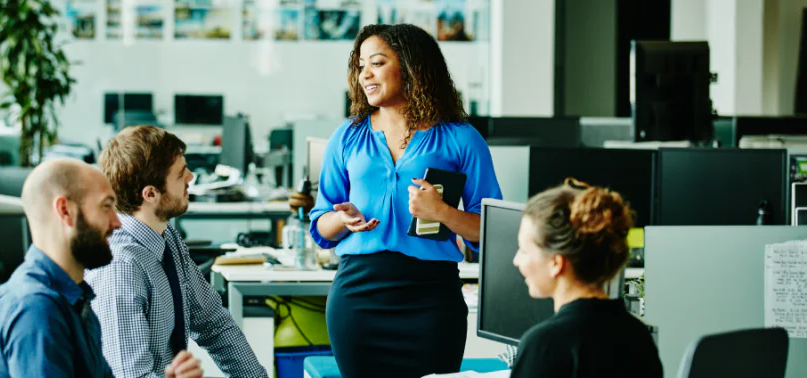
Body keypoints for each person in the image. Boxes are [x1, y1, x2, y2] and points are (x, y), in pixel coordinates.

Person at [309, 23, 503, 378]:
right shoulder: (348, 135)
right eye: (360, 65)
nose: (365, 73)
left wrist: (442, 213)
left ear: (411, 66)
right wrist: (343, 220)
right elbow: (321, 222)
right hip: (358, 297)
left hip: (431, 299)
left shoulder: (460, 138)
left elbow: (491, 229)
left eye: (377, 63)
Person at [0, 158, 203, 378]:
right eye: (106, 206)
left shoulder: (74, 297)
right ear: (65, 211)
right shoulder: (37, 311)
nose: (116, 223)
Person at [87, 125, 268, 378]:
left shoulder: (166, 235)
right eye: (180, 174)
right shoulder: (121, 268)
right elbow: (131, 376)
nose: (191, 177)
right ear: (151, 194)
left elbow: (213, 322)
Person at [510, 179, 663, 378]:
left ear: (556, 263)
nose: (516, 260)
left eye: (524, 250)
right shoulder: (639, 336)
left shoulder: (545, 345)